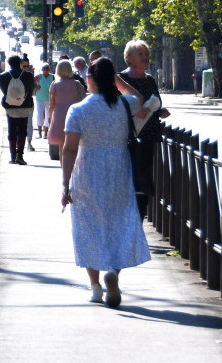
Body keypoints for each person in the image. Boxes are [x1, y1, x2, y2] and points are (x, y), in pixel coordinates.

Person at [60, 56, 152, 307]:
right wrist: (118, 80)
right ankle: (114, 271)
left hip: (88, 172)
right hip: (119, 171)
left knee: (88, 226)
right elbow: (140, 99)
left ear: (89, 79)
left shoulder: (78, 110)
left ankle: (96, 286)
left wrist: (65, 183)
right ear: (112, 80)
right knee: (119, 224)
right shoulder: (125, 104)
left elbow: (69, 149)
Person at [116, 39, 170, 214]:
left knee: (144, 178)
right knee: (130, 177)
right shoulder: (121, 79)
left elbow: (153, 103)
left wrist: (159, 111)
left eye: (146, 54)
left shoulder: (150, 80)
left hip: (148, 136)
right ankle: (129, 215)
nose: (145, 57)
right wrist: (132, 114)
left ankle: (139, 215)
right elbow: (113, 108)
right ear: (128, 57)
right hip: (127, 137)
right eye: (140, 54)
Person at [0, 54, 36, 164]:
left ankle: (12, 156)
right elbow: (30, 89)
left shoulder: (3, 76)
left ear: (9, 64)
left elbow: (4, 92)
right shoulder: (28, 75)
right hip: (24, 106)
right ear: (20, 63)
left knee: (12, 130)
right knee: (22, 130)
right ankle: (20, 155)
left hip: (10, 107)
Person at [48, 59, 85, 162]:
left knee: (61, 146)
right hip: (74, 115)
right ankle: (73, 170)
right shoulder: (77, 84)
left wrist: (52, 119)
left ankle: (64, 172)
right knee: (74, 145)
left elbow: (51, 105)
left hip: (59, 115)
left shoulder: (54, 84)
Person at [35, 63, 54, 140]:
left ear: (49, 69)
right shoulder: (39, 77)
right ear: (42, 69)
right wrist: (36, 86)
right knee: (39, 115)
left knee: (47, 116)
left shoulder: (52, 77)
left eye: (47, 68)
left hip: (49, 99)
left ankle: (45, 133)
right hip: (39, 98)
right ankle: (39, 133)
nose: (46, 70)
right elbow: (31, 83)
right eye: (44, 68)